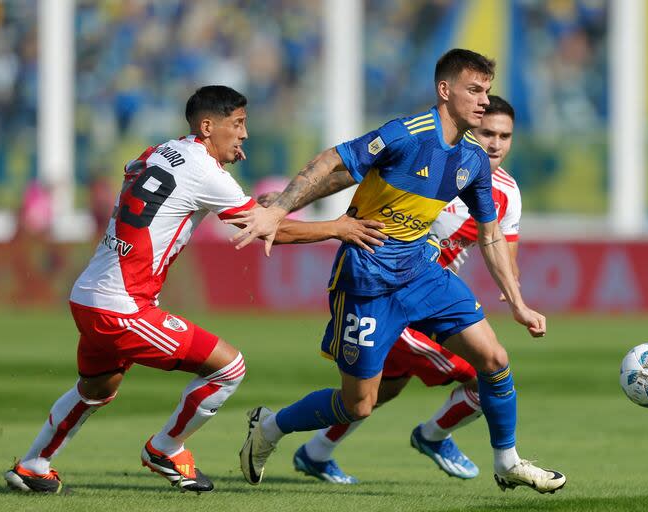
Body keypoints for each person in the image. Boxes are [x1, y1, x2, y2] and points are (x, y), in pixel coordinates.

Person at [3, 85, 387, 494]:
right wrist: (338, 228)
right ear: (208, 126)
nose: (244, 135)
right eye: (237, 124)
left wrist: (231, 192)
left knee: (97, 388)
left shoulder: (160, 150)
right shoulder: (206, 173)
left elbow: (143, 176)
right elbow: (265, 228)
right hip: (123, 305)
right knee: (228, 367)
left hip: (88, 294)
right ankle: (165, 448)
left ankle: (32, 464)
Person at [229, 50, 566, 494]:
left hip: (422, 274)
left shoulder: (473, 160)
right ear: (445, 91)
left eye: (486, 91)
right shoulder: (407, 134)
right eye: (474, 90)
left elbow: (491, 235)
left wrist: (518, 304)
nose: (484, 101)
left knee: (494, 359)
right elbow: (333, 161)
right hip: (366, 279)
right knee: (359, 404)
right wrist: (283, 209)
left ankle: (507, 462)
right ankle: (270, 428)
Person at [288, 95, 522, 484]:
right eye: (487, 133)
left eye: (505, 135)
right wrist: (289, 203)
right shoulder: (429, 165)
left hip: (430, 300)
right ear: (467, 131)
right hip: (390, 293)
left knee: (381, 391)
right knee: (484, 373)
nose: (495, 143)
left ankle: (314, 451)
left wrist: (512, 292)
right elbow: (351, 173)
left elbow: (502, 247)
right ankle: (432, 435)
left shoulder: (505, 193)